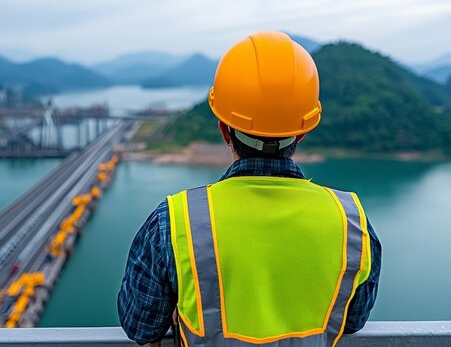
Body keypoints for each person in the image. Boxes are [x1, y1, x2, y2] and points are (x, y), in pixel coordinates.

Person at [117, 31, 381, 347]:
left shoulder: (173, 221)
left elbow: (140, 326)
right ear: (302, 134)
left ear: (224, 130)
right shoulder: (352, 221)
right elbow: (352, 320)